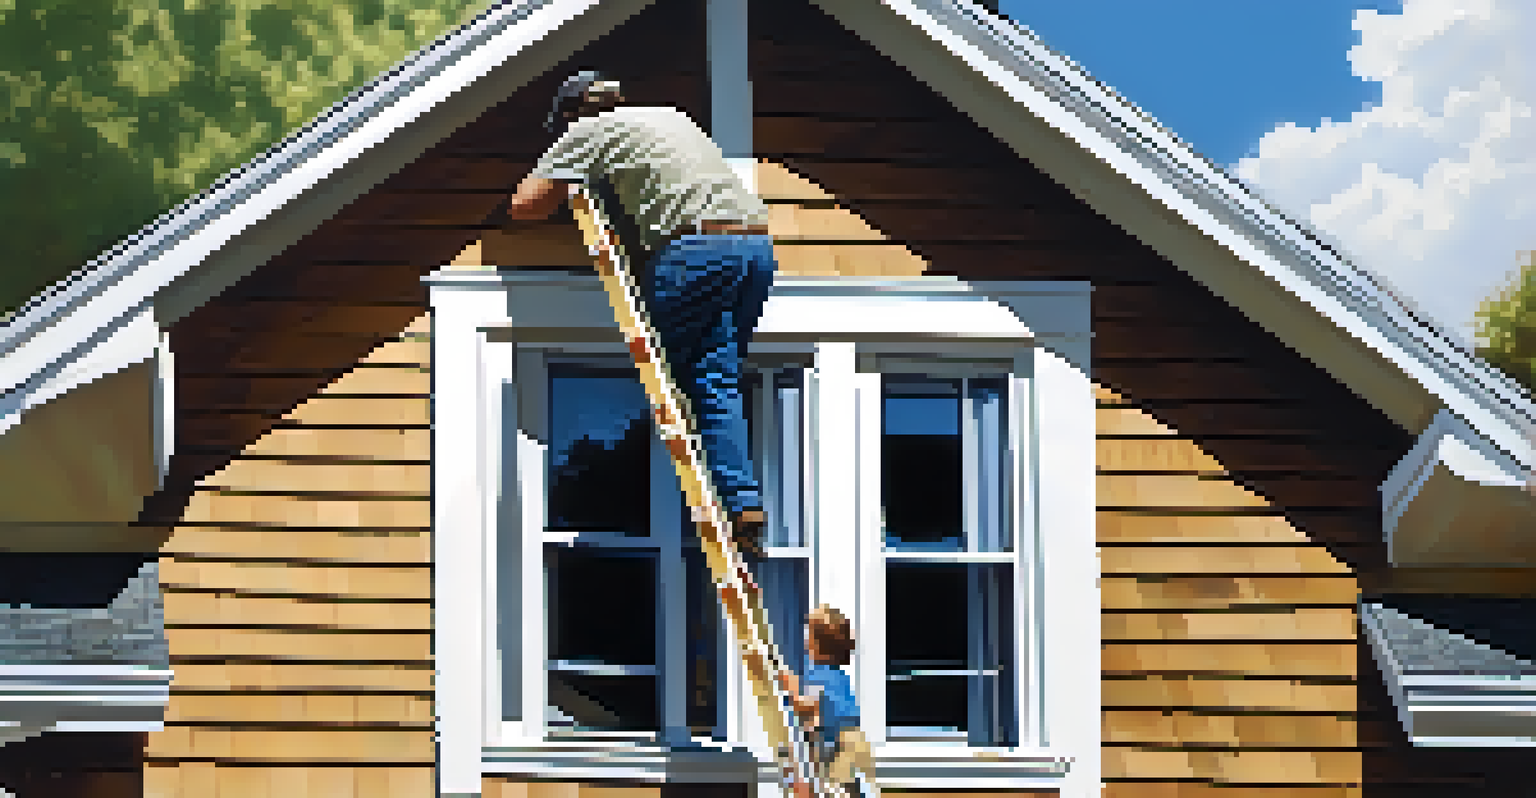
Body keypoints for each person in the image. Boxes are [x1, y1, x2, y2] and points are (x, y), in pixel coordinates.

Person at [502, 70, 774, 556]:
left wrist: (567, 177)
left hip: (693, 252)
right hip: (755, 250)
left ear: (575, 111)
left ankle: (694, 498)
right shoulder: (669, 117)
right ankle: (742, 502)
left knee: (681, 381)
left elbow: (525, 204)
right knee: (717, 378)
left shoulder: (588, 131)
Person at [776, 604, 871, 798]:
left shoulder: (820, 675)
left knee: (837, 792)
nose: (804, 641)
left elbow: (809, 706)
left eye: (808, 635)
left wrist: (787, 689)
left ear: (817, 643)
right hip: (852, 743)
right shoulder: (837, 675)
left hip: (843, 749)